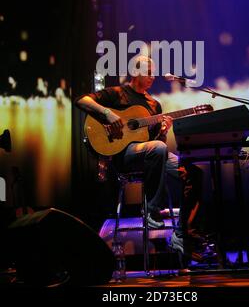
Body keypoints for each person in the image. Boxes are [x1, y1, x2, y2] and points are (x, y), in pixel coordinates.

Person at [75, 55, 208, 260]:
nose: (152, 77)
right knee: (157, 148)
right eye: (147, 73)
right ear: (135, 72)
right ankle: (150, 210)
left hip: (149, 153)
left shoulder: (154, 105)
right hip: (122, 156)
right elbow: (81, 100)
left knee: (194, 173)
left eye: (153, 73)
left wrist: (164, 130)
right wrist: (107, 114)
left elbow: (155, 141)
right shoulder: (117, 94)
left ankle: (182, 234)